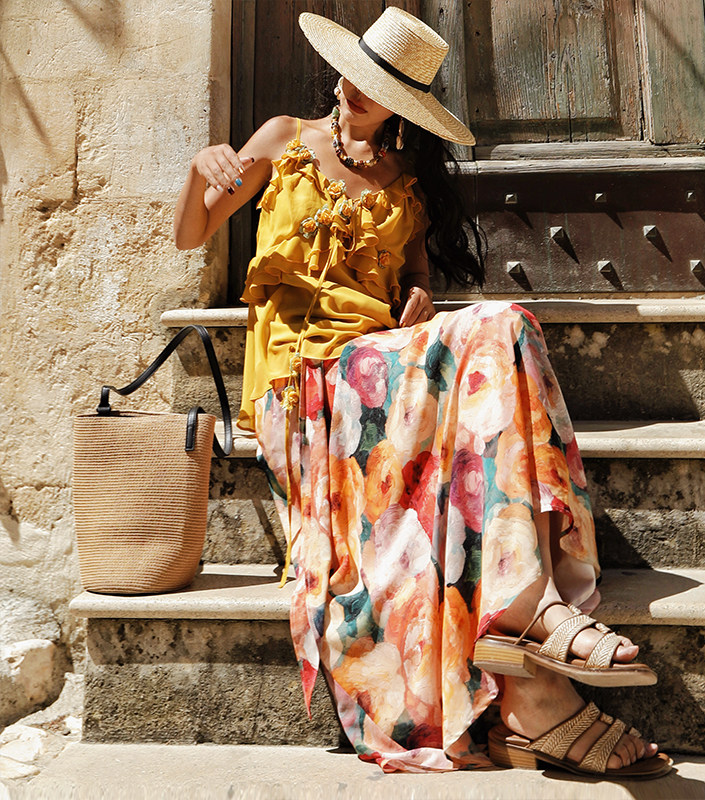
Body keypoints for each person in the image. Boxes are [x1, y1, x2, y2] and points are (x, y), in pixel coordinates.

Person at [174, 7, 672, 779]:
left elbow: (412, 286)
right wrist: (198, 171)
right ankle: (532, 628)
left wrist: (417, 301)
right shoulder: (281, 139)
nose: (356, 90)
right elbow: (190, 235)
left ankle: (530, 606)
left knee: (505, 324)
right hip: (302, 382)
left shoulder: (404, 182)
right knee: (490, 343)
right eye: (354, 74)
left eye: (378, 87)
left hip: (378, 364)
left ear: (402, 108)